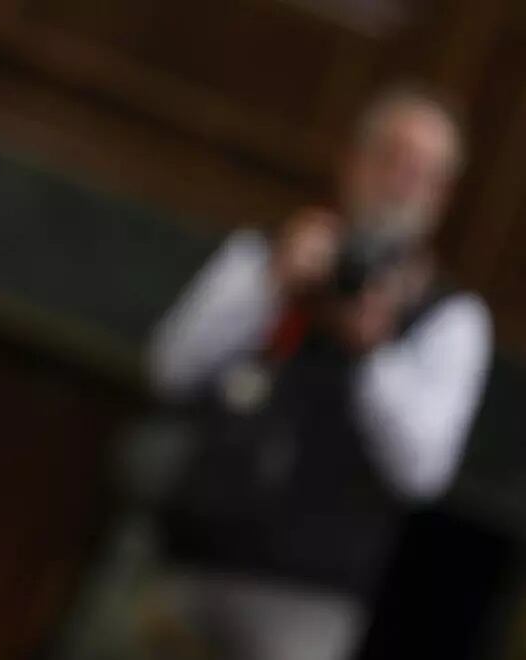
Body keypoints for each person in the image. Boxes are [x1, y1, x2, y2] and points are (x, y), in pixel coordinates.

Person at [145, 85, 493, 660]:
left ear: (442, 195)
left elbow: (423, 471)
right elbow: (169, 368)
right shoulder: (268, 254)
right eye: (391, 158)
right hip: (187, 563)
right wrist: (273, 284)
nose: (401, 182)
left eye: (423, 172)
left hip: (306, 603)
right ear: (353, 160)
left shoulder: (449, 319)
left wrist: (371, 350)